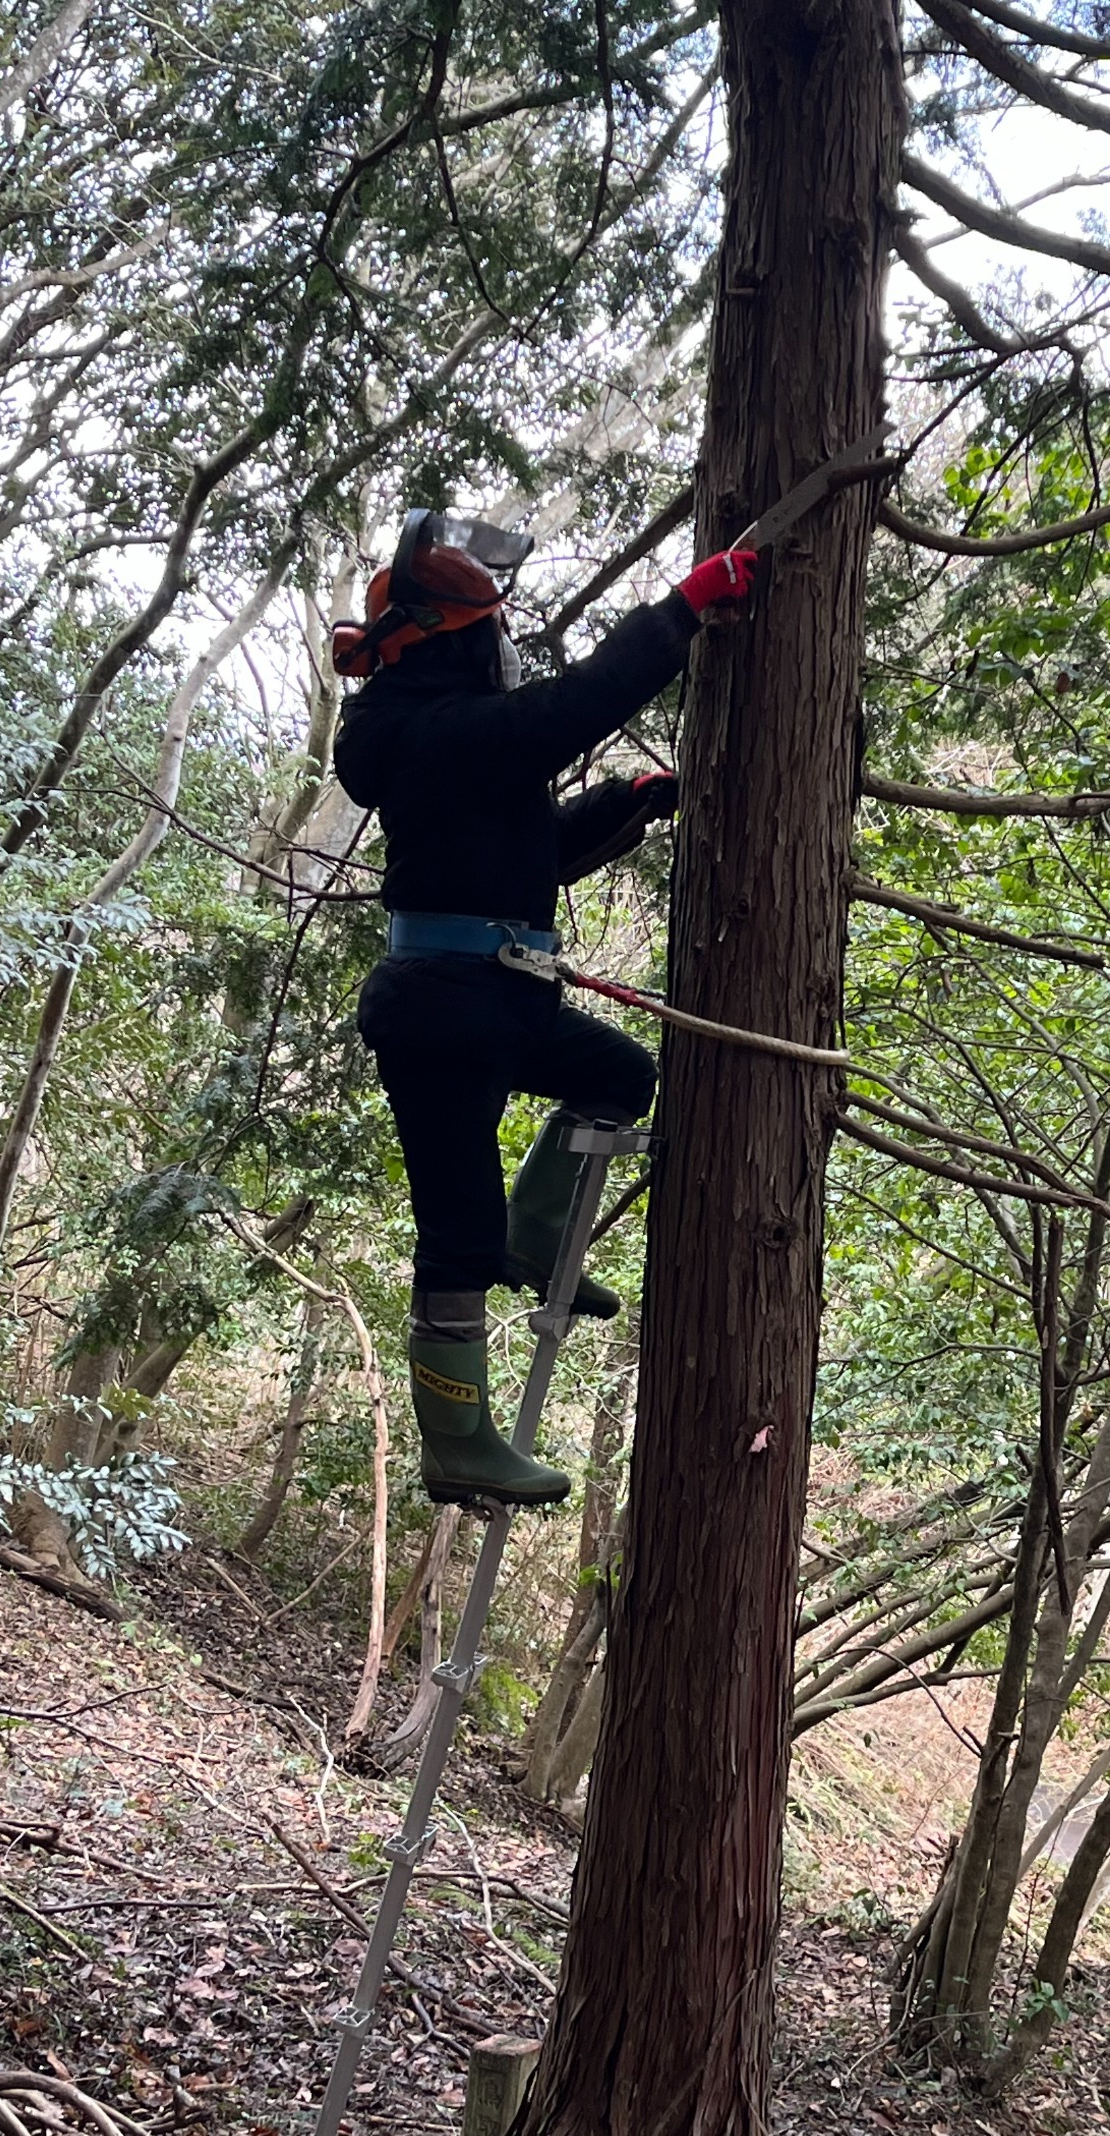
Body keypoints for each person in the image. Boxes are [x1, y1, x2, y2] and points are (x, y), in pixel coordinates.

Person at [332, 509, 760, 1507]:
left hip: (494, 997)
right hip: (441, 1011)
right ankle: (457, 1442)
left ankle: (534, 1230)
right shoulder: (436, 732)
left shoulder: (455, 745)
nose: (505, 646)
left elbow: (533, 855)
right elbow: (567, 710)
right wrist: (681, 610)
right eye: (492, 629)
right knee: (457, 1236)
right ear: (453, 642)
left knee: (617, 1075)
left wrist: (628, 800)